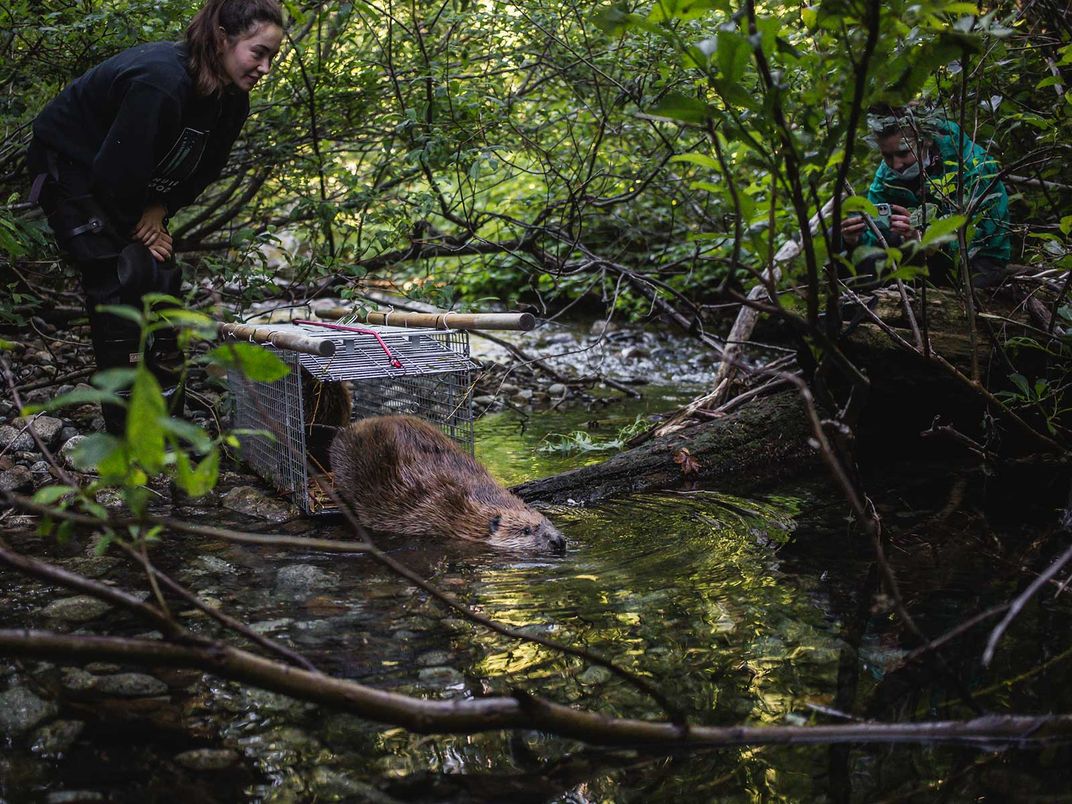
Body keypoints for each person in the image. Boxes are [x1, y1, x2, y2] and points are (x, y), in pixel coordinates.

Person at [27, 0, 284, 434]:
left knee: (162, 279)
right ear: (223, 37)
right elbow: (114, 173)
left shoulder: (231, 101)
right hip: (71, 166)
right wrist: (141, 227)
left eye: (272, 57)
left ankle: (165, 422)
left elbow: (203, 169)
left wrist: (160, 209)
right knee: (118, 278)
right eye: (257, 52)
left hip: (127, 178)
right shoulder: (161, 81)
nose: (264, 67)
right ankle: (127, 432)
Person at [841, 106, 1011, 288]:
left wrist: (927, 240)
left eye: (903, 153)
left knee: (976, 281)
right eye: (887, 156)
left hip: (975, 261)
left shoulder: (972, 165)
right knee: (843, 243)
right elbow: (876, 235)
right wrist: (854, 241)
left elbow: (984, 239)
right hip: (919, 259)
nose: (896, 165)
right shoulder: (887, 175)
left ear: (926, 141)